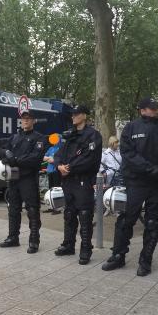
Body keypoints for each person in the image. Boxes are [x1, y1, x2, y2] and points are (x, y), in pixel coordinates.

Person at [102, 98, 158, 275]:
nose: (157, 110)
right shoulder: (131, 127)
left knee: (153, 222)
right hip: (136, 181)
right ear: (142, 110)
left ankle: (145, 261)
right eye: (153, 108)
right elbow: (128, 153)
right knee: (126, 219)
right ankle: (118, 256)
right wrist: (149, 169)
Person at [54, 105, 103, 265]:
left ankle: (86, 249)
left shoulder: (93, 135)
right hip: (68, 180)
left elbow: (90, 159)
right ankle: (68, 244)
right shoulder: (70, 135)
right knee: (69, 213)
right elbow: (58, 154)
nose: (73, 117)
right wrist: (59, 165)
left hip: (82, 180)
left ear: (84, 115)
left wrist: (70, 168)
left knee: (84, 215)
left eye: (76, 114)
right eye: (72, 114)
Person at [0, 110, 46, 253]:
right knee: (13, 209)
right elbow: (1, 150)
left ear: (33, 121)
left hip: (28, 177)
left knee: (32, 209)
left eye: (28, 118)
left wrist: (16, 160)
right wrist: (7, 155)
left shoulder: (39, 138)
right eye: (23, 118)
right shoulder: (14, 137)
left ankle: (34, 240)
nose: (25, 121)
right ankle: (13, 238)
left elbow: (35, 157)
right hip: (13, 176)